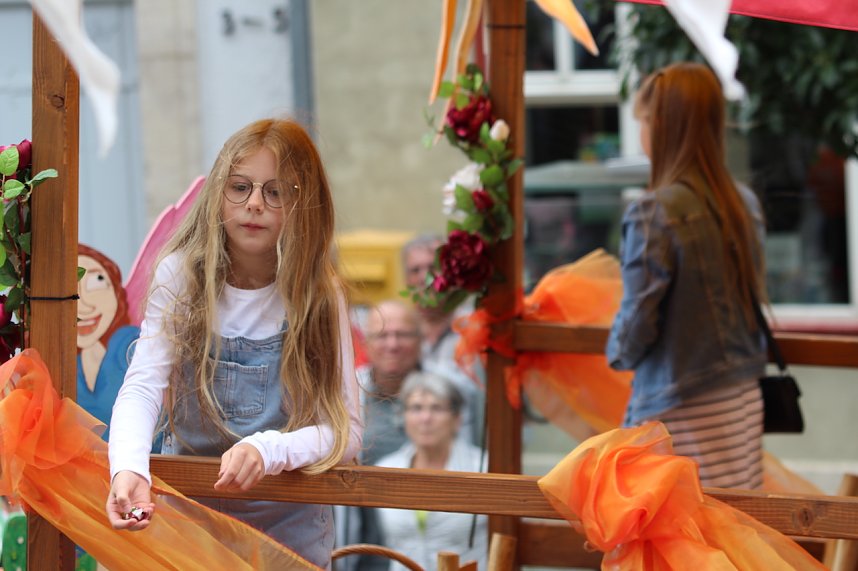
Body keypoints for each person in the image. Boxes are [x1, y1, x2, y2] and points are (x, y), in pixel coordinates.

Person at [105, 118, 362, 569]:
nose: (255, 204)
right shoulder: (181, 276)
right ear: (218, 194)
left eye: (276, 191)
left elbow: (344, 432)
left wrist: (267, 450)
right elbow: (143, 386)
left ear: (304, 204)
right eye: (240, 187)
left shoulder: (320, 295)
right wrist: (128, 466)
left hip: (289, 531)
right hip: (190, 518)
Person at [605, 62, 767, 489]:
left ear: (659, 123)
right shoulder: (743, 202)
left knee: (679, 540)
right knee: (729, 538)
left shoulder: (653, 210)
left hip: (681, 404)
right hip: (742, 398)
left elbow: (637, 324)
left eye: (641, 119)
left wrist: (615, 350)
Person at [375, 371, 487, 571]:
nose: (425, 418)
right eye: (416, 408)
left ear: (457, 418)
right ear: (404, 417)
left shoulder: (485, 468)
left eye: (436, 408)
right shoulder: (385, 470)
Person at [401, 235, 485, 445]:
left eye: (432, 268)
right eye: (415, 270)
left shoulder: (476, 330)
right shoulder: (397, 333)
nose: (424, 278)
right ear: (406, 280)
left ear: (452, 274)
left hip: (469, 461)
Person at [77, 244, 140, 443]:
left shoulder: (133, 345)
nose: (85, 306)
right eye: (70, 290)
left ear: (115, 290)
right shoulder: (57, 360)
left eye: (96, 281)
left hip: (146, 466)